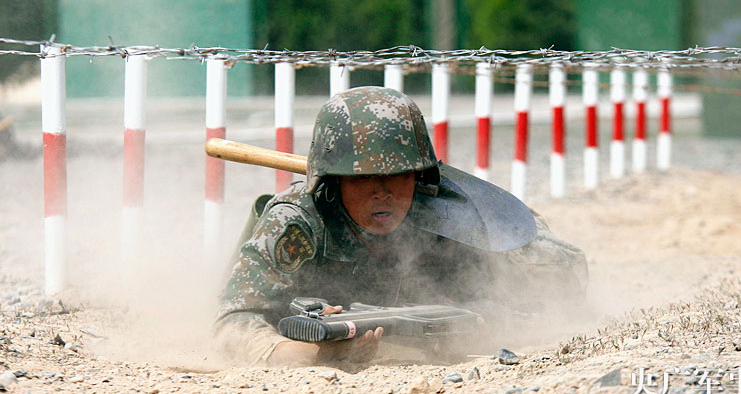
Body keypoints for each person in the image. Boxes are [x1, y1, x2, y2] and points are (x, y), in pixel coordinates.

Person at [213, 86, 587, 366]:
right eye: (363, 179)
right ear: (333, 180)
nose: (383, 193)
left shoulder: (445, 218)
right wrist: (311, 353)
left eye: (397, 176)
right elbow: (233, 322)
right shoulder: (297, 223)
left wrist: (478, 325)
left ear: (419, 176)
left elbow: (537, 302)